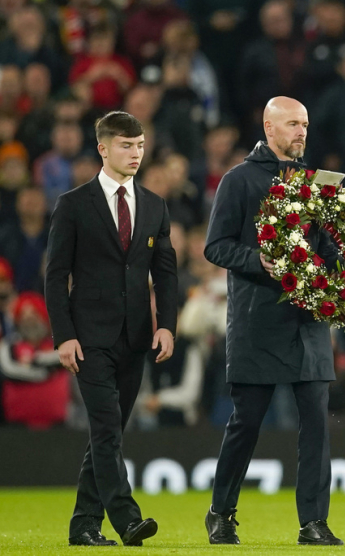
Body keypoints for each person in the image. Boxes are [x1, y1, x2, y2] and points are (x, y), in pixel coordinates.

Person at [203, 97, 343, 546]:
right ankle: (221, 513)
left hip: (308, 323)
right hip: (257, 320)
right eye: (292, 124)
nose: (302, 132)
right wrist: (257, 259)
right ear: (268, 126)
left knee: (317, 425)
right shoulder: (239, 180)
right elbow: (215, 246)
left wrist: (343, 269)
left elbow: (329, 249)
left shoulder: (319, 182)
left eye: (305, 124)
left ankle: (313, 523)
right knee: (247, 423)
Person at [44, 111, 178, 547]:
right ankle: (127, 518)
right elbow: (55, 274)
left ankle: (84, 524)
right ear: (103, 148)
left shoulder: (156, 205)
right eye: (126, 145)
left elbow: (166, 274)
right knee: (105, 430)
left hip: (137, 337)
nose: (135, 153)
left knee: (110, 434)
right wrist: (63, 334)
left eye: (139, 145)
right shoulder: (74, 204)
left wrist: (167, 326)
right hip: (89, 340)